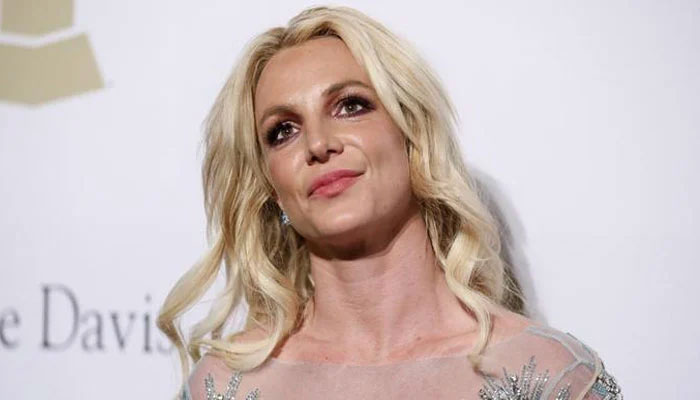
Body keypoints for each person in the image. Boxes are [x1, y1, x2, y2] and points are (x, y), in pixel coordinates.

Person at [157, 6, 622, 400]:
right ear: (270, 186)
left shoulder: (547, 373)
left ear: (412, 135)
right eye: (283, 131)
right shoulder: (226, 386)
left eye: (350, 105)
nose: (318, 144)